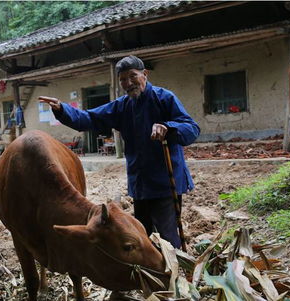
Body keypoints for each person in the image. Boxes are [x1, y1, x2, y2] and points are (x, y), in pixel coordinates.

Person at [39, 55, 200, 249]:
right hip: (140, 182)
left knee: (167, 236)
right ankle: (148, 275)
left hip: (166, 180)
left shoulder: (164, 98)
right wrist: (62, 109)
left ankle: (173, 274)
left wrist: (169, 127)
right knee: (142, 235)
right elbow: (88, 118)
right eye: (123, 79)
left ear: (145, 74)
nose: (128, 83)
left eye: (133, 76)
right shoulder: (121, 107)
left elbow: (191, 128)